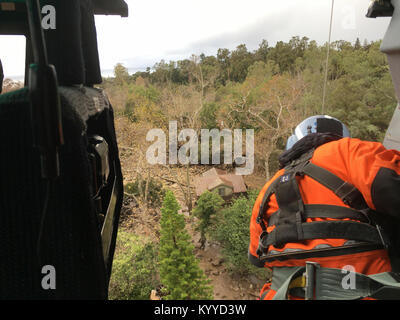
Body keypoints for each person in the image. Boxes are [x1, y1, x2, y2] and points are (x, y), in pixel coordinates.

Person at [248, 115, 400, 300]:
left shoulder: (268, 188)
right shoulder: (349, 150)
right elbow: (388, 186)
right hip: (365, 289)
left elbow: (255, 258)